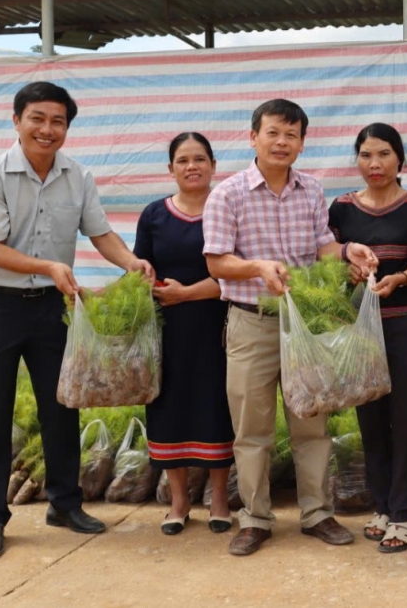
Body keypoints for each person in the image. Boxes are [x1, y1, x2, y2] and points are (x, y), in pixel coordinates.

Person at [0, 82, 155, 559]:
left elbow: (101, 232)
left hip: (53, 307)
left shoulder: (77, 176)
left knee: (63, 405)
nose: (47, 130)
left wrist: (132, 263)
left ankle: (64, 504)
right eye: (37, 119)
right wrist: (48, 266)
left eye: (58, 122)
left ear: (67, 128)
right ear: (16, 121)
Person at [202, 99, 377, 557]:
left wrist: (346, 252)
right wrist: (258, 267)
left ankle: (317, 512)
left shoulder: (311, 190)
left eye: (292, 135)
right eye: (274, 132)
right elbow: (217, 261)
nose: (282, 142)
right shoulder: (229, 193)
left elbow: (321, 246)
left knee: (311, 424)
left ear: (302, 142)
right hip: (251, 322)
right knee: (252, 427)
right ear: (253, 136)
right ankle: (255, 517)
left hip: (305, 324)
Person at [328, 123, 407, 553]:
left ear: (400, 160)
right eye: (367, 155)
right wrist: (347, 271)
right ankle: (383, 504)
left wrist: (399, 278)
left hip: (406, 322)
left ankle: (405, 514)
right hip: (360, 328)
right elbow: (330, 259)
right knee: (370, 419)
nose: (375, 164)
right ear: (357, 159)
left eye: (384, 155)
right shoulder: (341, 209)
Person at [134, 133, 234, 536]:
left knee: (217, 406)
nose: (191, 166)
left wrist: (187, 293)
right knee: (168, 408)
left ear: (213, 165)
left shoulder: (228, 209)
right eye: (182, 160)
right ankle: (179, 501)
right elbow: (142, 268)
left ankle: (221, 498)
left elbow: (235, 274)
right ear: (170, 168)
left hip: (218, 327)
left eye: (199, 159)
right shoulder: (154, 215)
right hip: (166, 331)